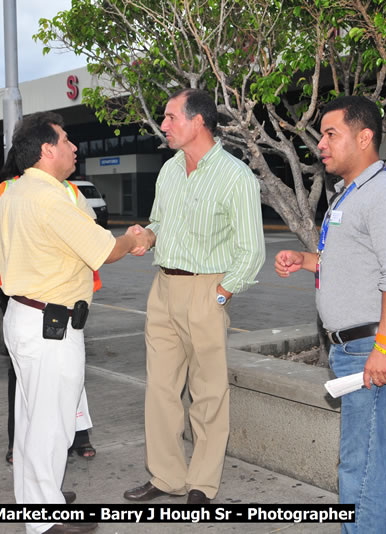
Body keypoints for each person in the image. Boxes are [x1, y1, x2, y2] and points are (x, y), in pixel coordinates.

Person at [0, 112, 152, 534]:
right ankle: (46, 523)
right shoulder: (51, 198)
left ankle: (35, 506)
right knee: (51, 427)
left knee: (31, 422)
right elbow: (104, 250)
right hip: (51, 325)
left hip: (26, 316)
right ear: (47, 149)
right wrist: (137, 239)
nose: (74, 147)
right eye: (66, 140)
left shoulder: (15, 190)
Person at [274, 96, 386, 533]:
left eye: (331, 133)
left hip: (371, 351)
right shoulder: (349, 194)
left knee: (360, 468)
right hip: (355, 349)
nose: (321, 143)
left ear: (364, 137)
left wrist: (383, 349)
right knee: (373, 464)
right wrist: (305, 259)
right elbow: (349, 261)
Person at [123, 89, 265, 505]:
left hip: (208, 288)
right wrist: (147, 235)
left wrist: (220, 294)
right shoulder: (168, 171)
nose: (163, 126)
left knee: (208, 392)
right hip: (163, 288)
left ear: (198, 121)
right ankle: (166, 477)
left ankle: (202, 483)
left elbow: (251, 249)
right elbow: (161, 222)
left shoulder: (235, 175)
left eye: (170, 118)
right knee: (161, 390)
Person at [0, 149, 99, 465]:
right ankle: (21, 445)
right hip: (25, 296)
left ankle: (76, 435)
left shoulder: (70, 192)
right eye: (64, 142)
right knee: (26, 375)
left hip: (69, 297)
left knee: (69, 373)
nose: (73, 150)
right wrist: (25, 243)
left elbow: (93, 238)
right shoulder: (3, 192)